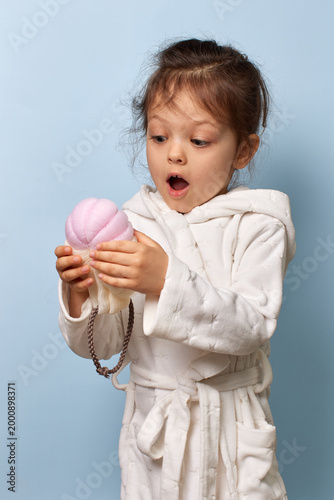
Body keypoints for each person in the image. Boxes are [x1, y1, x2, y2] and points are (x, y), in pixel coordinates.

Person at [55, 38, 295, 499]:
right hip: (156, 437)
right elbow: (105, 345)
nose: (175, 155)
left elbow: (251, 327)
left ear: (243, 152)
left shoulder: (259, 223)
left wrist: (165, 280)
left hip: (228, 431)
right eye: (159, 136)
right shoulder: (133, 224)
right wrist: (83, 293)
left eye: (198, 140)